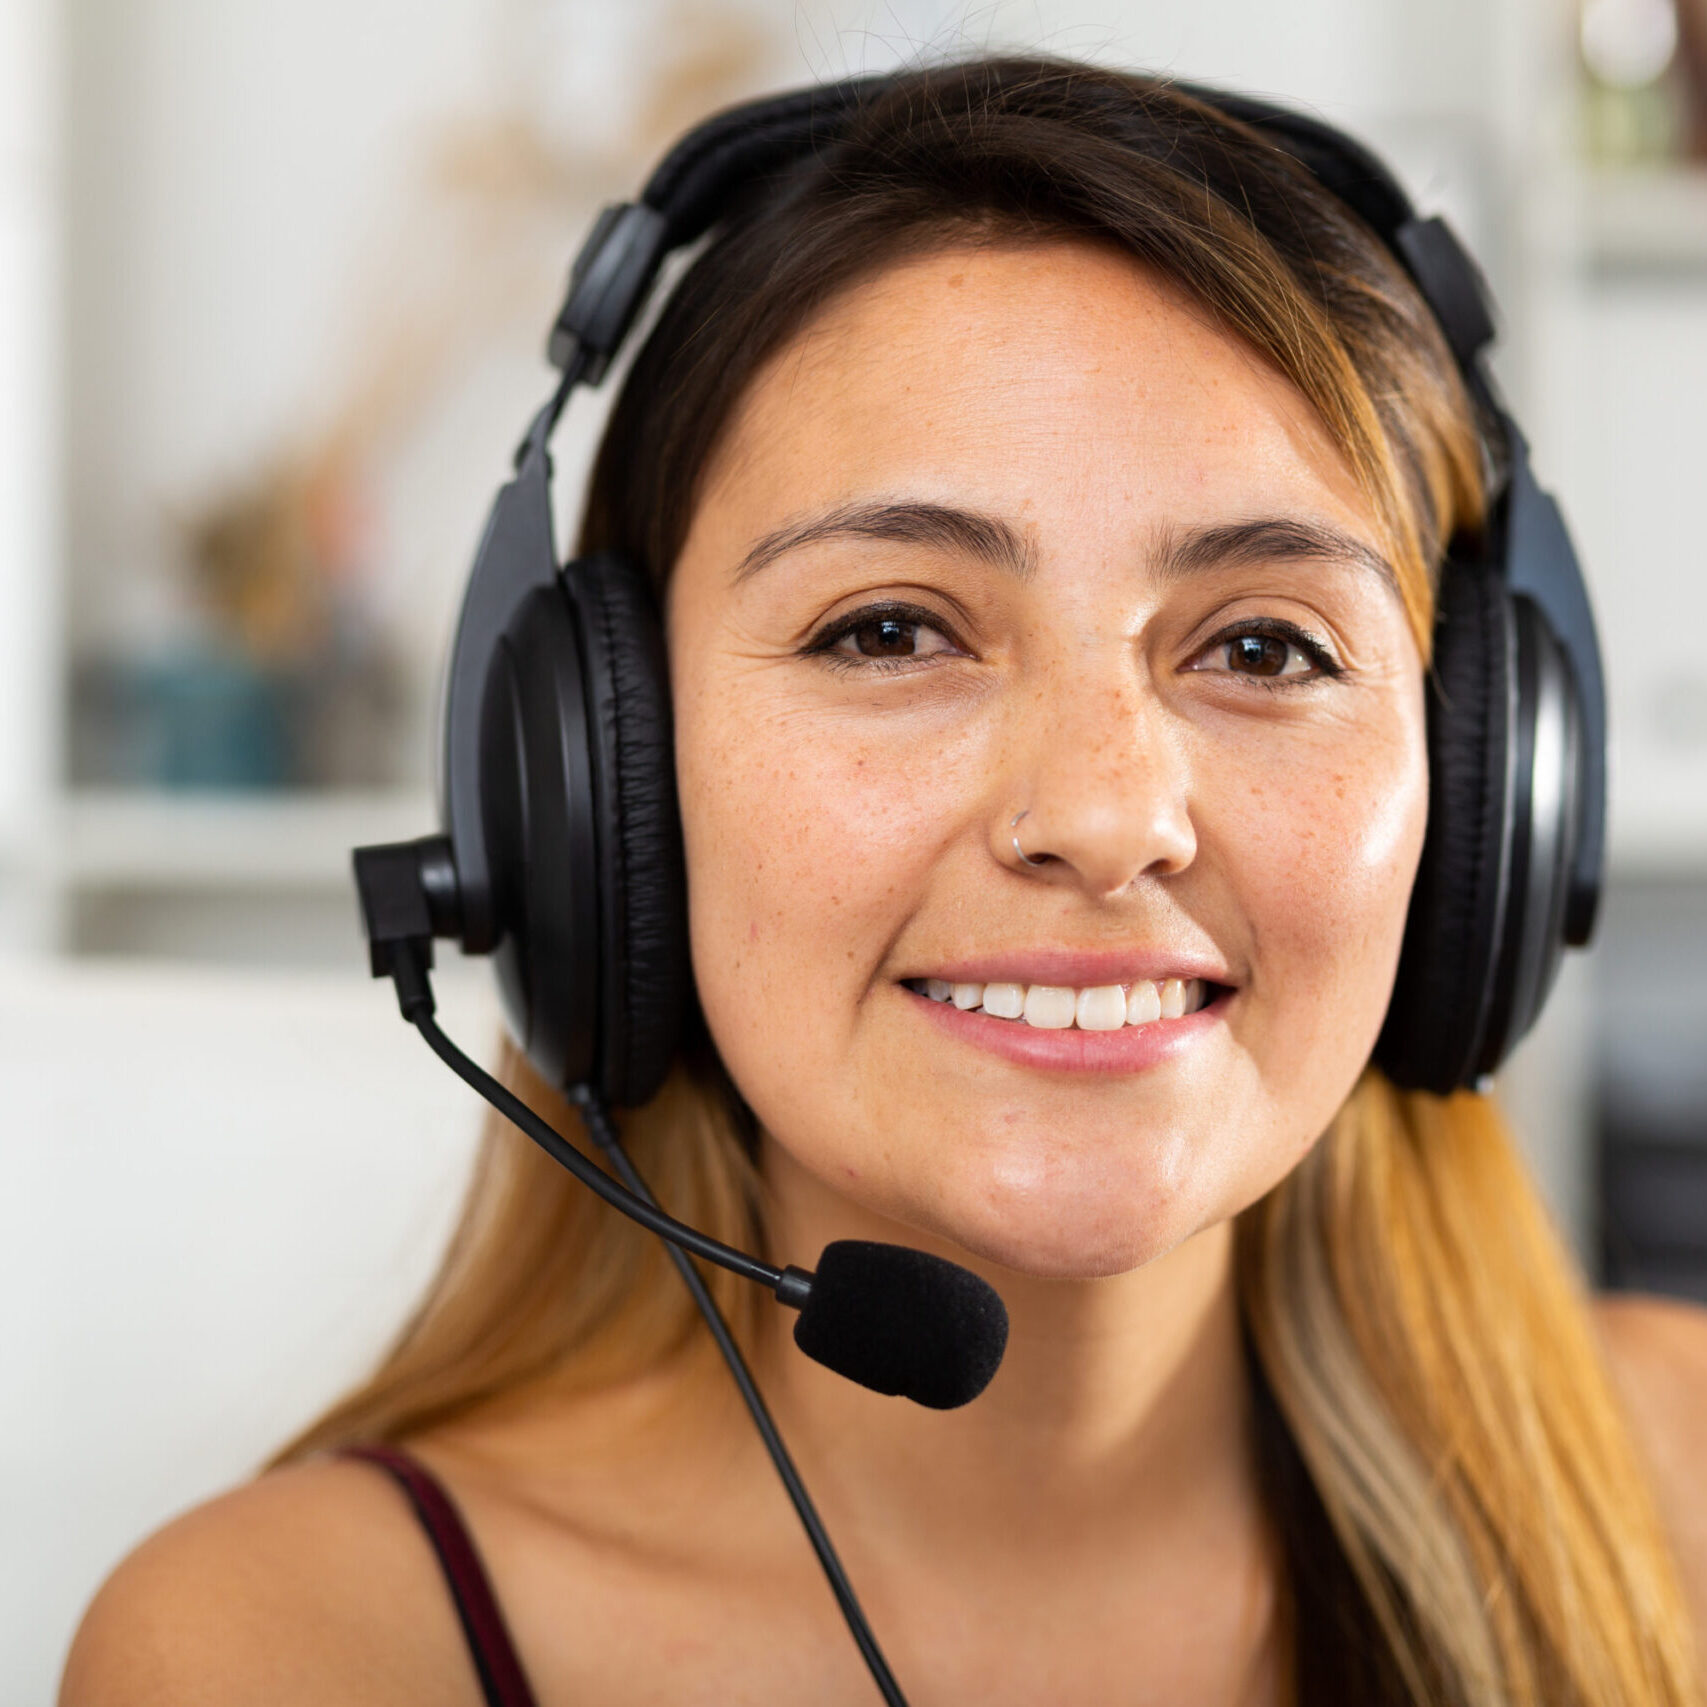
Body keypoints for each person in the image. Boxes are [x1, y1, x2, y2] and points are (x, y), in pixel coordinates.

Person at [61, 57, 1707, 1706]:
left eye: (1267, 645)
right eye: (892, 630)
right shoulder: (293, 1653)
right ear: (586, 791)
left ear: (1490, 798)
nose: (1105, 812)